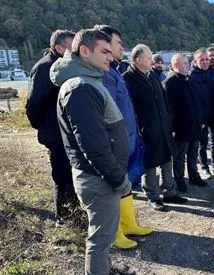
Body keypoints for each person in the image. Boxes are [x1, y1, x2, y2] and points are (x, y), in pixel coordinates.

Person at [51, 28, 130, 275]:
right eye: (104, 51)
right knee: (99, 241)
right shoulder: (80, 87)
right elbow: (93, 145)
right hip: (99, 179)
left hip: (101, 177)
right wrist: (118, 179)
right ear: (84, 51)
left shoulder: (88, 80)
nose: (110, 57)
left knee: (103, 239)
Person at [94, 25, 151, 250]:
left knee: (125, 183)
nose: (122, 47)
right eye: (118, 43)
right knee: (114, 187)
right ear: (106, 44)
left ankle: (129, 224)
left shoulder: (115, 70)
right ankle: (115, 232)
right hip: (115, 141)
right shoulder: (106, 73)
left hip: (127, 137)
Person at [123, 44, 188, 208]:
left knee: (167, 158)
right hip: (146, 129)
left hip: (163, 125)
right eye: (149, 57)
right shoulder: (127, 78)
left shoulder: (152, 75)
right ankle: (152, 196)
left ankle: (170, 192)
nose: (152, 60)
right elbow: (129, 107)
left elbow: (164, 99)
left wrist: (169, 122)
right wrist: (140, 126)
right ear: (138, 59)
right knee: (150, 162)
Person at [25, 29, 78, 226]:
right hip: (55, 134)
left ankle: (73, 214)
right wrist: (44, 127)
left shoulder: (65, 66)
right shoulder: (45, 67)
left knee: (71, 175)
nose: (75, 51)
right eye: (71, 47)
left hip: (66, 132)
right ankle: (63, 218)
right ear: (58, 47)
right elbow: (34, 104)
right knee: (61, 176)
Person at [164, 53, 207, 192]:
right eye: (184, 63)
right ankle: (180, 180)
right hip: (180, 127)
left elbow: (199, 102)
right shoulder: (169, 83)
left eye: (188, 63)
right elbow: (168, 109)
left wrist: (202, 120)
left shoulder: (191, 80)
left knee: (193, 154)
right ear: (175, 65)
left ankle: (194, 175)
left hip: (195, 125)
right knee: (179, 156)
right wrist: (172, 128)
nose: (188, 65)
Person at [190, 48, 214, 179]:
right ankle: (204, 167)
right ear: (195, 61)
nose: (205, 62)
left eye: (207, 59)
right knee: (203, 143)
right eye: (202, 60)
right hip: (201, 116)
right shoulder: (192, 76)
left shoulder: (213, 73)